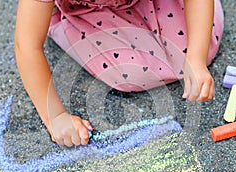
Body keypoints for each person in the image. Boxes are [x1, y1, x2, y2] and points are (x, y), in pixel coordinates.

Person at [15, 0, 224, 147]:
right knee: (130, 73)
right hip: (90, 11)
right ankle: (61, 23)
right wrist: (55, 117)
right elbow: (27, 46)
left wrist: (195, 60)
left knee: (198, 45)